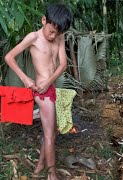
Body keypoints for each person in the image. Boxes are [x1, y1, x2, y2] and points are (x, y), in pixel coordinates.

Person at [5, 3, 72, 179]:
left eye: (57, 33)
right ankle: (52, 175)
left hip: (49, 87)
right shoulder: (33, 37)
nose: (53, 35)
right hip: (41, 93)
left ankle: (40, 165)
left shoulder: (59, 37)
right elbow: (9, 57)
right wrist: (26, 79)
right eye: (51, 31)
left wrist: (49, 82)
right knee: (50, 135)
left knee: (52, 132)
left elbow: (63, 64)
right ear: (44, 20)